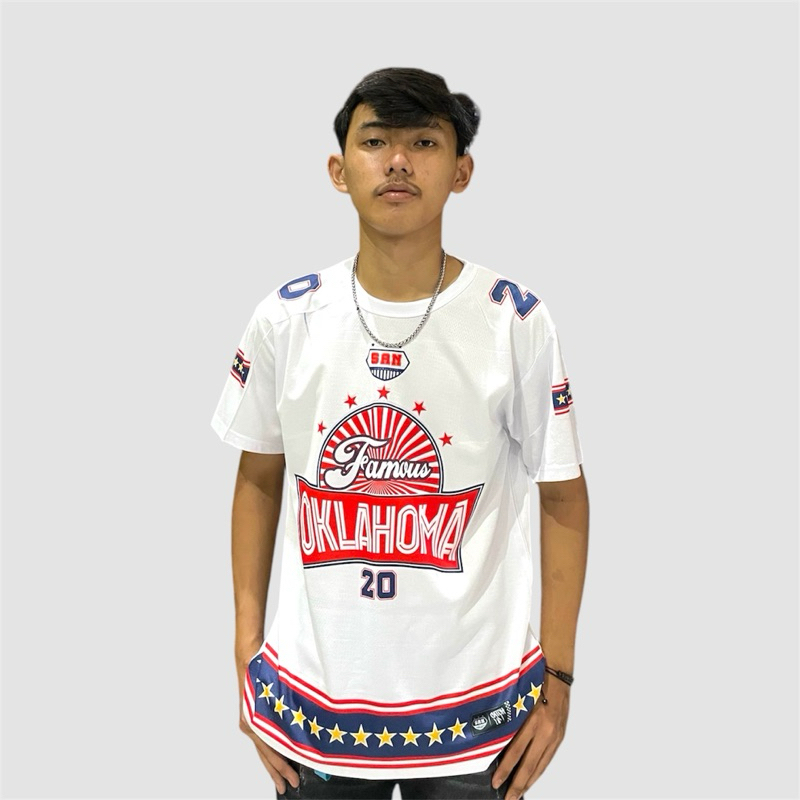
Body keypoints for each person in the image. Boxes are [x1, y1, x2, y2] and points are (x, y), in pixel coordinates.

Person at [211, 67, 589, 800]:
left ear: (462, 171)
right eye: (375, 141)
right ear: (338, 169)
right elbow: (259, 477)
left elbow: (563, 495)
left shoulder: (513, 320)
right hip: (312, 708)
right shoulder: (286, 317)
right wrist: (245, 649)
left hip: (480, 718)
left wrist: (560, 678)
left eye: (424, 142)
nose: (397, 161)